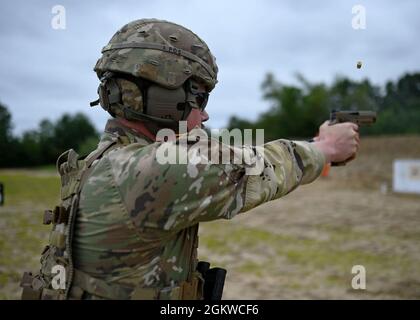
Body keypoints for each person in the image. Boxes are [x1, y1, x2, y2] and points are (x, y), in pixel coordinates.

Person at [20, 18, 359, 300]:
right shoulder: (149, 170)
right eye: (198, 96)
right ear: (164, 98)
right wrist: (325, 149)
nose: (206, 114)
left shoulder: (107, 160)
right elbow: (258, 167)